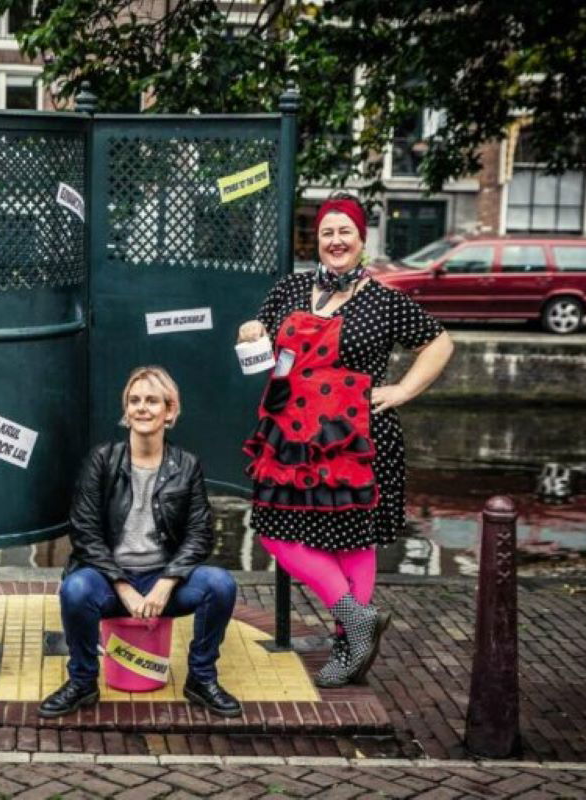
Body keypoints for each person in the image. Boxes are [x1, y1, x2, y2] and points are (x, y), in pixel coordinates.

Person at [236, 195, 454, 687]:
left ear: (362, 240)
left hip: (359, 438)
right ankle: (359, 620)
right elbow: (262, 368)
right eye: (327, 233)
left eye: (345, 232)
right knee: (273, 530)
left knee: (355, 541)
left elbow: (440, 343)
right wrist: (250, 337)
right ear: (318, 240)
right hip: (292, 436)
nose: (336, 241)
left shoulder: (383, 300)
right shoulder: (288, 290)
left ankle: (348, 648)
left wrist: (402, 390)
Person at [39, 366, 242, 718]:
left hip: (164, 580)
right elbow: (85, 533)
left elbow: (200, 534)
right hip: (108, 580)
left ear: (171, 411)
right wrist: (122, 586)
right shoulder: (102, 461)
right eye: (134, 401)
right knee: (75, 589)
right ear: (126, 410)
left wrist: (167, 582)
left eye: (152, 401)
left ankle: (202, 678)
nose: (142, 408)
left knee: (220, 584)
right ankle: (83, 681)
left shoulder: (186, 465)